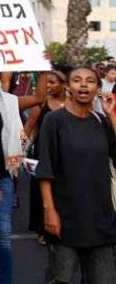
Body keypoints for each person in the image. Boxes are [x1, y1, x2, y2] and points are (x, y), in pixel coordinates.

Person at [37, 67, 116, 284]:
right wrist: (49, 211)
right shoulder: (54, 120)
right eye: (77, 80)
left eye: (90, 81)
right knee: (62, 279)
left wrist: (111, 116)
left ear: (98, 89)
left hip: (102, 220)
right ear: (68, 87)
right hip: (66, 219)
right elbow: (45, 169)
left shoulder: (101, 121)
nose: (83, 85)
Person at [0, 71, 47, 284]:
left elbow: (39, 98)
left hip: (2, 176)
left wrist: (42, 69)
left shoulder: (5, 101)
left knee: (1, 233)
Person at [23, 69, 68, 245]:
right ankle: (42, 230)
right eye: (46, 82)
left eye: (52, 82)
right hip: (43, 153)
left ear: (63, 85)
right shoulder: (40, 104)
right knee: (41, 191)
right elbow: (29, 128)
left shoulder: (72, 103)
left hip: (66, 154)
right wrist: (19, 150)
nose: (48, 86)